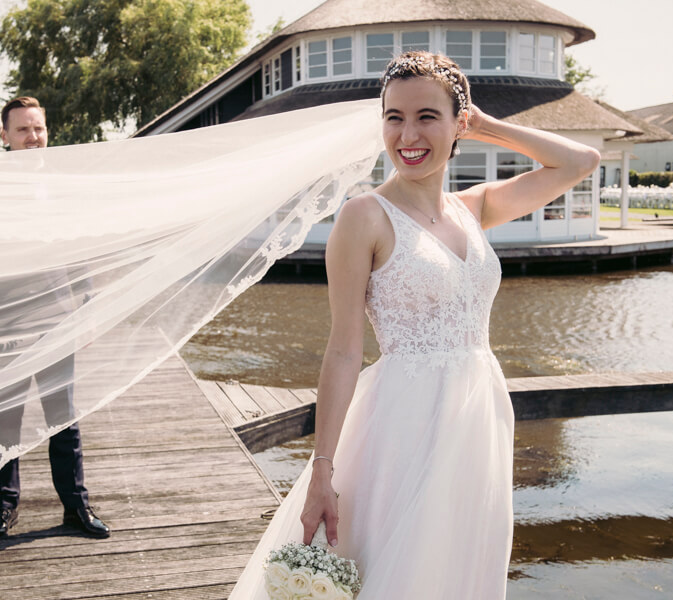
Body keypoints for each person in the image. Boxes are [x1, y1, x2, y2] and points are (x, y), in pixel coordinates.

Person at [228, 52, 599, 598]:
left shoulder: (474, 209)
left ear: (458, 124)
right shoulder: (364, 217)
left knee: (458, 567)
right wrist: (321, 470)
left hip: (477, 419)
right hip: (402, 422)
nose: (408, 134)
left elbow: (579, 161)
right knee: (398, 571)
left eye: (427, 116)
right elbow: (343, 351)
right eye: (394, 117)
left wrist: (487, 124)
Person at [0, 97, 110, 543]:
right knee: (4, 420)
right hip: (4, 321)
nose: (33, 138)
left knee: (63, 421)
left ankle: (76, 508)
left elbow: (76, 253)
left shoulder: (61, 186)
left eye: (39, 129)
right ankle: (4, 511)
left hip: (55, 318)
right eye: (23, 131)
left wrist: (86, 312)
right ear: (6, 137)